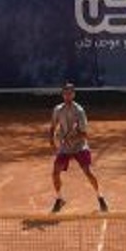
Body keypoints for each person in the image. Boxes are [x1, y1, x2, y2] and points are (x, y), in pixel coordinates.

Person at [49, 82, 109, 213]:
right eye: (65, 93)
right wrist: (51, 140)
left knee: (88, 172)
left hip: (79, 146)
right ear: (63, 95)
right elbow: (53, 126)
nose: (67, 96)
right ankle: (59, 199)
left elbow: (84, 134)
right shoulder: (57, 110)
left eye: (70, 93)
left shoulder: (79, 111)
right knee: (55, 173)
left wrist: (72, 137)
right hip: (65, 148)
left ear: (73, 95)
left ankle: (100, 197)